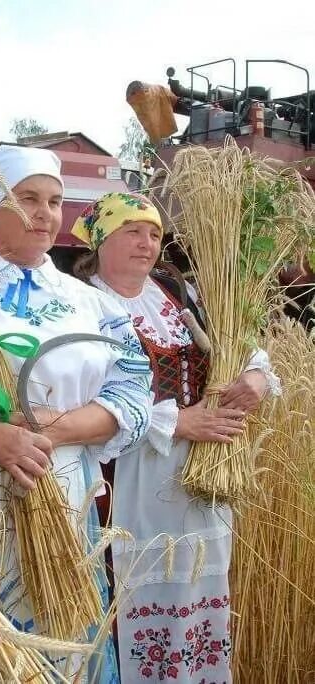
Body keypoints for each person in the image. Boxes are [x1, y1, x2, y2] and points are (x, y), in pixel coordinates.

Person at [0, 145, 154, 681]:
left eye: (55, 201)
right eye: (28, 198)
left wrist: (51, 432)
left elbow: (133, 393)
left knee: (65, 633)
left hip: (64, 490)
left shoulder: (92, 302)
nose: (44, 213)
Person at [72, 191, 280, 683]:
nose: (146, 243)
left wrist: (254, 377)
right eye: (132, 231)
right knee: (129, 588)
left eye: (154, 234)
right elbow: (83, 394)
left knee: (195, 590)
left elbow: (236, 346)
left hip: (200, 480)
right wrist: (179, 422)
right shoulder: (83, 303)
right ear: (101, 239)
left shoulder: (175, 295)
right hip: (127, 474)